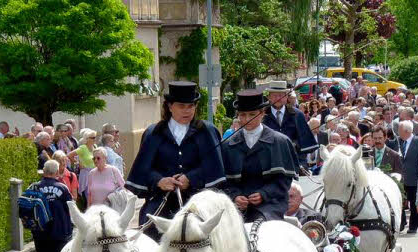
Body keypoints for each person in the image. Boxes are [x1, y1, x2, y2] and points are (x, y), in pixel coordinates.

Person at [126, 81, 225, 237]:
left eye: (191, 106)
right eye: (181, 106)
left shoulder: (206, 131)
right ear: (170, 106)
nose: (187, 111)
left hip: (199, 202)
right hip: (161, 202)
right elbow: (142, 171)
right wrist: (159, 181)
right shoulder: (153, 133)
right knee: (148, 230)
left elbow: (216, 168)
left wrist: (191, 178)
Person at [221, 89, 300, 223]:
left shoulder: (280, 142)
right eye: (242, 115)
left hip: (270, 205)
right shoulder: (228, 145)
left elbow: (284, 181)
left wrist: (264, 194)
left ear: (262, 113)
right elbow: (223, 181)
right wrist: (235, 196)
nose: (246, 119)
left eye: (252, 114)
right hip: (235, 206)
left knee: (259, 228)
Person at [32, 160, 73, 252]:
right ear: (57, 172)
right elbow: (71, 208)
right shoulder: (62, 188)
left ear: (44, 171)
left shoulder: (34, 187)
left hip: (40, 234)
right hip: (59, 234)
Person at [263, 82, 318, 165]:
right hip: (268, 164)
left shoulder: (297, 115)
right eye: (274, 95)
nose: (278, 98)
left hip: (293, 163)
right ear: (269, 97)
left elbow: (305, 143)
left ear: (286, 97)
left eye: (281, 95)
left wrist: (300, 163)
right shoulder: (261, 116)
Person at [395, 120, 418, 233]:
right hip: (400, 179)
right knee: (400, 202)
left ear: (406, 131)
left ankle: (413, 226)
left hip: (414, 178)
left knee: (414, 203)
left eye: (399, 130)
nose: (398, 132)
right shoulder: (398, 142)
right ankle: (401, 223)